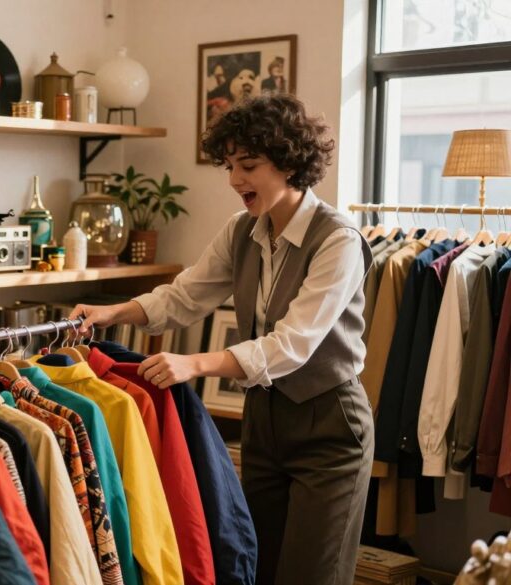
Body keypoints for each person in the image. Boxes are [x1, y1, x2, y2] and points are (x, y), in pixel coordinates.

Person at [71, 94, 373, 585]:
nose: (235, 180)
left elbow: (292, 343)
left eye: (248, 165)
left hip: (330, 427)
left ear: (290, 160)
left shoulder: (337, 240)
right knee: (257, 565)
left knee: (313, 574)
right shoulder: (240, 232)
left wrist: (195, 364)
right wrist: (114, 312)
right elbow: (185, 295)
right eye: (230, 164)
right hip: (264, 424)